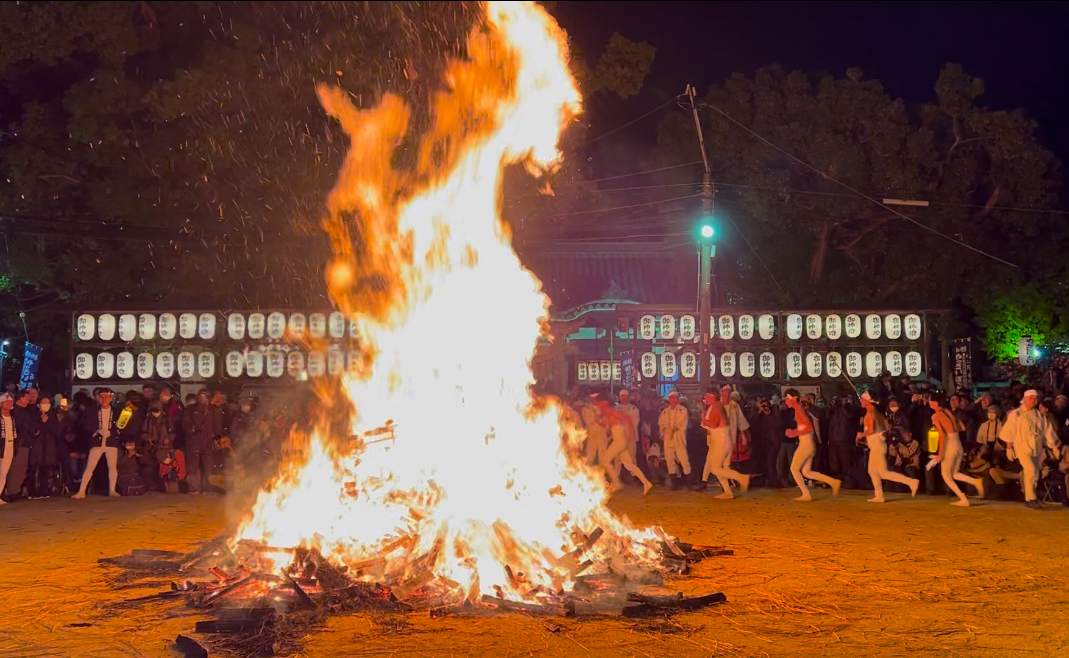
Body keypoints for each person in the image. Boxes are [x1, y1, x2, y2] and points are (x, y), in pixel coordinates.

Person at [999, 389, 1062, 509]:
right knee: (1031, 470)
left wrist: (1054, 447)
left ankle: (1029, 498)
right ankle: (1031, 497)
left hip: (1036, 448)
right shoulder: (1016, 414)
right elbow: (1009, 431)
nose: (1033, 400)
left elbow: (1047, 431)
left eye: (1035, 398)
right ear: (1025, 399)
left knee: (1034, 473)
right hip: (1022, 447)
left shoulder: (1038, 415)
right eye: (1031, 398)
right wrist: (1009, 447)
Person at [857, 391, 918, 502]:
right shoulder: (876, 412)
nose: (860, 401)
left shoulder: (871, 413)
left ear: (867, 401)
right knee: (873, 471)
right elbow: (886, 426)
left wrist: (861, 434)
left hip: (877, 446)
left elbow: (870, 430)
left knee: (883, 473)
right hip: (877, 444)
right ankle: (879, 495)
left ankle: (911, 482)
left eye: (862, 399)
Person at [928, 392, 984, 506]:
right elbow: (960, 426)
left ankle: (963, 498)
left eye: (930, 400)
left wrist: (940, 454)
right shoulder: (947, 412)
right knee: (954, 473)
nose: (929, 402)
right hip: (958, 443)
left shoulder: (936, 416)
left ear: (935, 403)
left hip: (950, 445)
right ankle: (975, 481)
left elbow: (942, 436)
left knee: (946, 475)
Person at [784, 388, 840, 501]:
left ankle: (806, 494)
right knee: (806, 472)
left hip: (806, 443)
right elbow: (805, 426)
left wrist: (793, 433)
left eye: (787, 398)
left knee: (794, 469)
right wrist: (795, 431)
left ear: (793, 399)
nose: (785, 401)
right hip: (807, 443)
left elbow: (809, 427)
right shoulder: (798, 409)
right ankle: (833, 482)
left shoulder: (799, 408)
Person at [697, 387, 750, 498]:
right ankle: (728, 492)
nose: (705, 398)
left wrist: (703, 418)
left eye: (706, 396)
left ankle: (741, 478)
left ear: (712, 396)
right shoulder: (715, 406)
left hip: (722, 440)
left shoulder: (717, 406)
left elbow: (713, 424)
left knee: (715, 468)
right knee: (719, 467)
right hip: (720, 440)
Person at [596, 399, 653, 495]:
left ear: (605, 403)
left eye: (601, 404)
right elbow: (609, 428)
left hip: (620, 441)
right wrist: (600, 423)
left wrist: (630, 435)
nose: (600, 406)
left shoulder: (613, 412)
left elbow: (628, 420)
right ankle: (646, 483)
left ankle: (616, 483)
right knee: (628, 464)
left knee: (605, 460)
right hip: (618, 440)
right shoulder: (607, 415)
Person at [72, 388, 121, 499]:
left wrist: (114, 431)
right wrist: (97, 430)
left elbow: (121, 425)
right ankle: (81, 491)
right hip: (97, 442)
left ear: (110, 398)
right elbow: (85, 425)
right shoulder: (92, 411)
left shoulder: (116, 411)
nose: (104, 399)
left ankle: (112, 490)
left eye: (106, 397)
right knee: (90, 467)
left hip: (111, 442)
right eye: (101, 397)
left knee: (112, 467)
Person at [183, 390, 220, 494]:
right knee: (192, 466)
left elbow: (217, 427)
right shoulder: (190, 409)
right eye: (200, 396)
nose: (202, 398)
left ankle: (206, 487)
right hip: (193, 442)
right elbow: (185, 423)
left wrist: (216, 438)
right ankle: (193, 488)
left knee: (207, 466)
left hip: (207, 442)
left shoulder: (213, 410)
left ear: (208, 397)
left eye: (204, 396)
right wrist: (191, 428)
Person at [28, 396, 62, 497]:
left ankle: (45, 490)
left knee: (46, 468)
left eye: (48, 403)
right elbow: (34, 430)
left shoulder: (52, 416)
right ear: (39, 405)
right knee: (34, 467)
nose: (46, 405)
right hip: (37, 444)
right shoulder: (34, 415)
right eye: (44, 402)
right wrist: (41, 423)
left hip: (49, 444)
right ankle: (32, 490)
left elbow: (56, 430)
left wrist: (46, 423)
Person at [658, 390, 692, 489]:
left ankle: (689, 483)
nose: (674, 400)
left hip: (678, 438)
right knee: (669, 460)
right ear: (669, 399)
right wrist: (665, 432)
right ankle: (674, 483)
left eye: (676, 398)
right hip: (668, 439)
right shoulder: (665, 412)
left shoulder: (683, 410)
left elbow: (682, 424)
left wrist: (672, 429)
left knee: (683, 459)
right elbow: (661, 425)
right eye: (672, 398)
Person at [0, 393, 17, 504]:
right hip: (1, 446)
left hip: (10, 445)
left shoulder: (12, 418)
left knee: (3, 473)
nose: (10, 404)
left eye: (11, 402)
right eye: (7, 402)